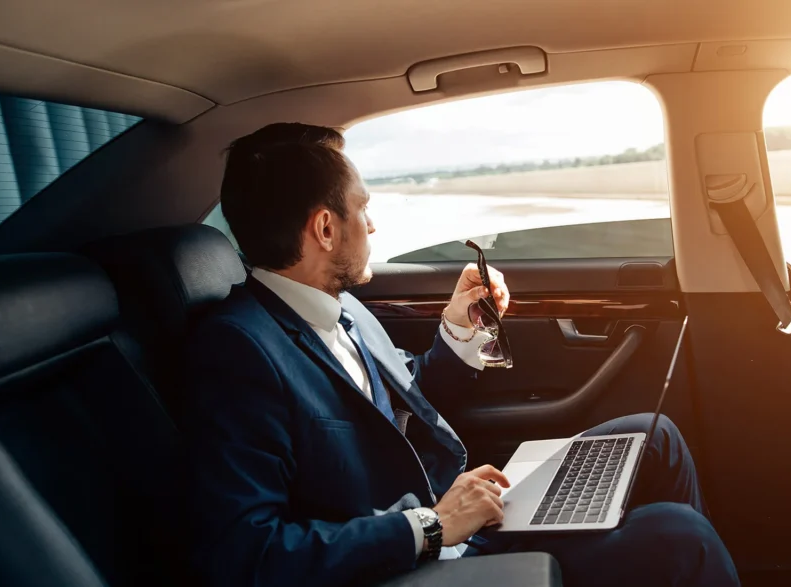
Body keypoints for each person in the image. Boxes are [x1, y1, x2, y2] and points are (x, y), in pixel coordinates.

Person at [184, 122, 739, 587]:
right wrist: (430, 525)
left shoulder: (341, 308)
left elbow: (402, 402)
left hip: (450, 515)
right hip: (408, 560)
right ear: (325, 228)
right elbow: (245, 552)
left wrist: (458, 328)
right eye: (362, 208)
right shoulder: (239, 350)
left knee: (655, 435)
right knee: (679, 536)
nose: (373, 225)